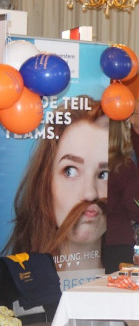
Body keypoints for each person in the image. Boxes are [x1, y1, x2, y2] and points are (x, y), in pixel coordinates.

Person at [3, 96, 108, 271]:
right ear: (46, 183)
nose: (90, 193)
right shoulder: (15, 279)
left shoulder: (127, 277)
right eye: (70, 171)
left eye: (104, 174)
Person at [103, 120, 139, 273]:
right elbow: (133, 205)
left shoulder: (93, 164)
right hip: (118, 238)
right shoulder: (124, 166)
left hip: (94, 240)